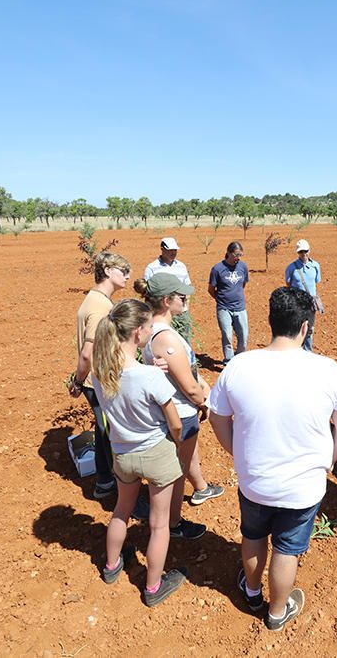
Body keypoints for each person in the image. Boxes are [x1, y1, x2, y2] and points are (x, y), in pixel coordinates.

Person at [208, 287, 337, 631]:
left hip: (254, 480)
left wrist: (237, 452)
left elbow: (217, 418)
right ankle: (277, 612)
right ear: (305, 327)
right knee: (287, 549)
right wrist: (329, 460)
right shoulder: (327, 369)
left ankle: (251, 590)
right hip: (304, 487)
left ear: (271, 321)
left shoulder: (240, 365)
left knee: (254, 535)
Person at [90, 299, 188, 606]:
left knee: (121, 510)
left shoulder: (100, 373)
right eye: (146, 327)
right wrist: (176, 442)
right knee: (159, 524)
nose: (149, 331)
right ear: (136, 333)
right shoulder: (150, 377)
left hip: (122, 454)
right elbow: (174, 423)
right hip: (156, 451)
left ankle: (111, 565)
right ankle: (153, 587)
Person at [134, 274, 224, 522]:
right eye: (181, 296)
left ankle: (200, 489)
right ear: (166, 301)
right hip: (182, 412)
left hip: (173, 410)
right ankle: (172, 522)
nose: (185, 300)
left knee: (183, 459)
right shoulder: (166, 337)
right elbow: (188, 387)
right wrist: (203, 402)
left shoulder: (151, 329)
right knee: (177, 472)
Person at [69, 251, 131, 499]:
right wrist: (78, 380)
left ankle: (105, 483)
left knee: (103, 432)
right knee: (111, 434)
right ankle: (115, 486)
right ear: (107, 271)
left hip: (98, 381)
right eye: (123, 271)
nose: (127, 276)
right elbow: (87, 353)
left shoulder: (94, 299)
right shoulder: (101, 307)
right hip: (101, 383)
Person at [208, 241, 249, 363]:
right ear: (228, 253)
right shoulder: (217, 269)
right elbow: (211, 289)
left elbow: (243, 284)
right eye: (236, 255)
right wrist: (221, 299)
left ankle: (240, 359)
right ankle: (229, 361)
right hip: (224, 308)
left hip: (240, 307)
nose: (238, 258)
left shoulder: (243, 267)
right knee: (227, 336)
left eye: (240, 255)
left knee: (244, 336)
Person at [284, 239, 321, 351]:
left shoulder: (315, 266)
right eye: (301, 252)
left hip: (310, 302)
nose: (303, 254)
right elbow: (288, 283)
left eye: (305, 251)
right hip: (297, 302)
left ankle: (308, 351)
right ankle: (295, 349)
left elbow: (317, 281)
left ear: (309, 251)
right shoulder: (291, 267)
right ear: (297, 253)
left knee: (310, 328)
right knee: (297, 327)